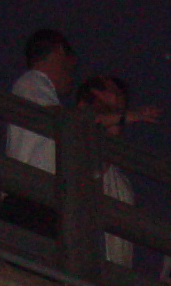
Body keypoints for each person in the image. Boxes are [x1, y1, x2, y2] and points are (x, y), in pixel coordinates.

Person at [0, 28, 74, 240]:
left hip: (35, 199)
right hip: (30, 199)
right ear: (59, 52)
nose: (71, 73)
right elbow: (56, 118)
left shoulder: (37, 88)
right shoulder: (32, 81)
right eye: (71, 62)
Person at [76, 75, 137, 271]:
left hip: (112, 276)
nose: (118, 99)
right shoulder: (73, 149)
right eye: (112, 92)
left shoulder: (121, 181)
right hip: (80, 265)